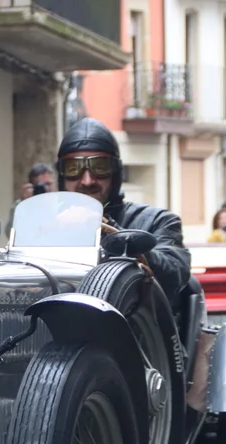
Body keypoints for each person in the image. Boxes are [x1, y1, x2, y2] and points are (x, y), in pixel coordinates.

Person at [56, 117, 192, 315]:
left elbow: (174, 274)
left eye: (100, 167)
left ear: (116, 173)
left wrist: (113, 234)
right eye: (73, 168)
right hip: (57, 324)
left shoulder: (158, 220)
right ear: (61, 175)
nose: (87, 180)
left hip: (133, 327)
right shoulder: (46, 226)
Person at [5, 163, 56, 236]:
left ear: (54, 183)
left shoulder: (62, 204)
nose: (45, 188)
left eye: (48, 184)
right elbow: (11, 234)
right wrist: (25, 204)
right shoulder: (21, 206)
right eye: (40, 185)